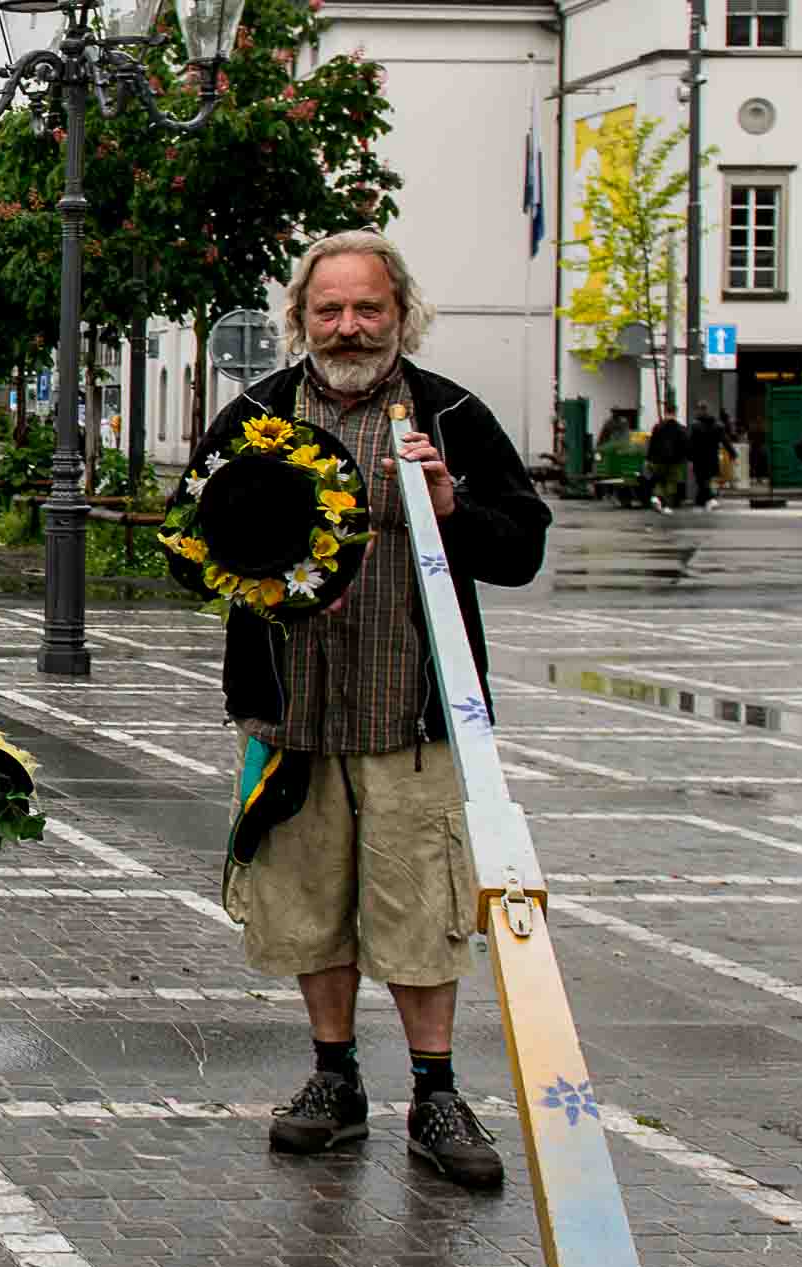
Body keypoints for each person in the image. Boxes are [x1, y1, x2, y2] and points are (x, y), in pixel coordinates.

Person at [167, 230, 550, 1189]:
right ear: (300, 317)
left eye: (366, 308)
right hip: (292, 717)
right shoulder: (255, 414)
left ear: (400, 312)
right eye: (329, 310)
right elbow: (182, 547)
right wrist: (233, 547)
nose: (348, 326)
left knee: (422, 908)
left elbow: (523, 548)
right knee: (309, 907)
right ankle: (334, 1080)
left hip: (412, 718)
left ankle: (436, 1090)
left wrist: (454, 508)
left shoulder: (450, 414)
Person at [646, 406, 690, 513]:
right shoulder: (681, 429)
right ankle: (666, 505)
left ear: (665, 413)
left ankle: (657, 499)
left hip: (659, 460)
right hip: (675, 461)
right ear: (675, 413)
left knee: (660, 482)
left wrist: (649, 459)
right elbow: (685, 446)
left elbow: (652, 444)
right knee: (671, 483)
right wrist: (686, 458)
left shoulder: (657, 427)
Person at [689, 404, 727, 507]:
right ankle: (705, 499)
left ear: (699, 411)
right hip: (712, 458)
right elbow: (725, 440)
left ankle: (706, 499)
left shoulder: (695, 426)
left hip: (699, 459)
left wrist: (690, 458)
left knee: (701, 480)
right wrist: (733, 454)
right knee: (708, 479)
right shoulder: (717, 425)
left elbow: (691, 444)